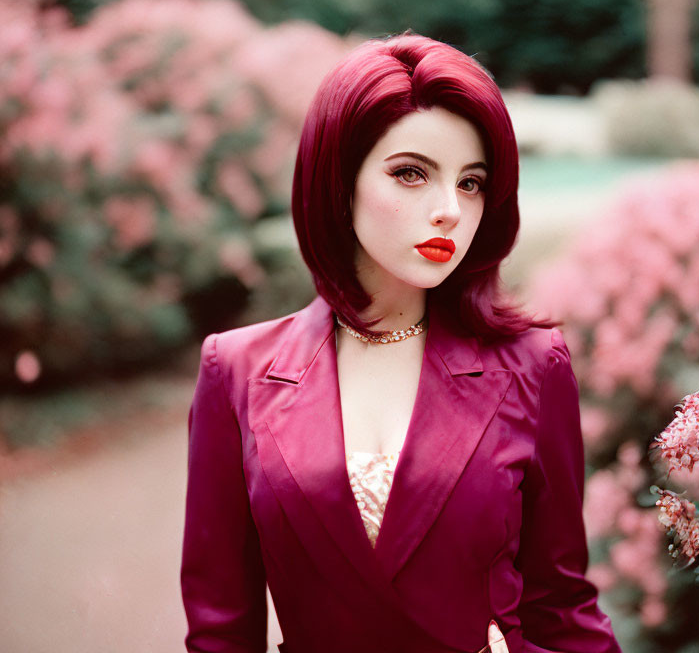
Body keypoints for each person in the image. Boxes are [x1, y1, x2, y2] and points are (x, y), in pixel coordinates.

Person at [180, 33, 622, 653]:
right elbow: (221, 631)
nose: (449, 210)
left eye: (471, 183)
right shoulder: (236, 370)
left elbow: (563, 605)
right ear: (340, 182)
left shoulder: (533, 365)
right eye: (412, 174)